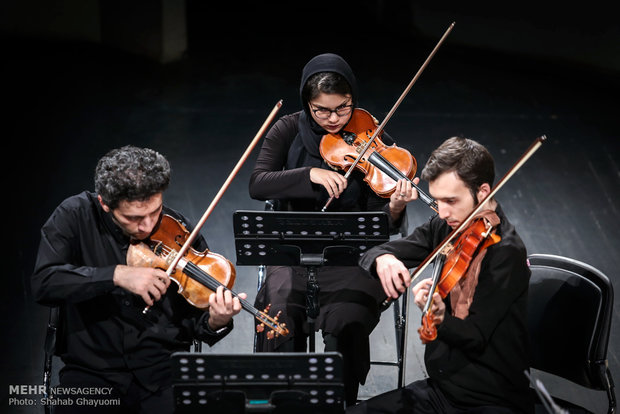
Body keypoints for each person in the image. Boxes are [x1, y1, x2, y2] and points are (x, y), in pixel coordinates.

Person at [248, 53, 418, 406]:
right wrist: (308, 174)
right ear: (307, 104)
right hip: (291, 254)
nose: (333, 119)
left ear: (352, 98)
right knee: (279, 309)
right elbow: (258, 183)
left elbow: (380, 223)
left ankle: (338, 400)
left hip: (353, 258)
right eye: (320, 110)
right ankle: (286, 397)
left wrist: (396, 207)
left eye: (342, 108)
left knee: (348, 317)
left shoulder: (370, 132)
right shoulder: (287, 128)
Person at [31, 145, 245, 413]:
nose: (147, 226)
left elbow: (193, 324)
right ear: (104, 204)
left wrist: (216, 320)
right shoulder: (75, 215)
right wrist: (116, 275)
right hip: (91, 372)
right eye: (133, 218)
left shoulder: (179, 231)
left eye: (154, 211)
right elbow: (44, 282)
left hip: (162, 375)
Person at [351, 136, 533, 413]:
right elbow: (372, 253)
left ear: (483, 192)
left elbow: (474, 336)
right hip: (441, 390)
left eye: (451, 200)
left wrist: (439, 319)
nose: (443, 212)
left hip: (489, 399)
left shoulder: (505, 252)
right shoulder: (447, 225)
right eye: (437, 200)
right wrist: (384, 258)